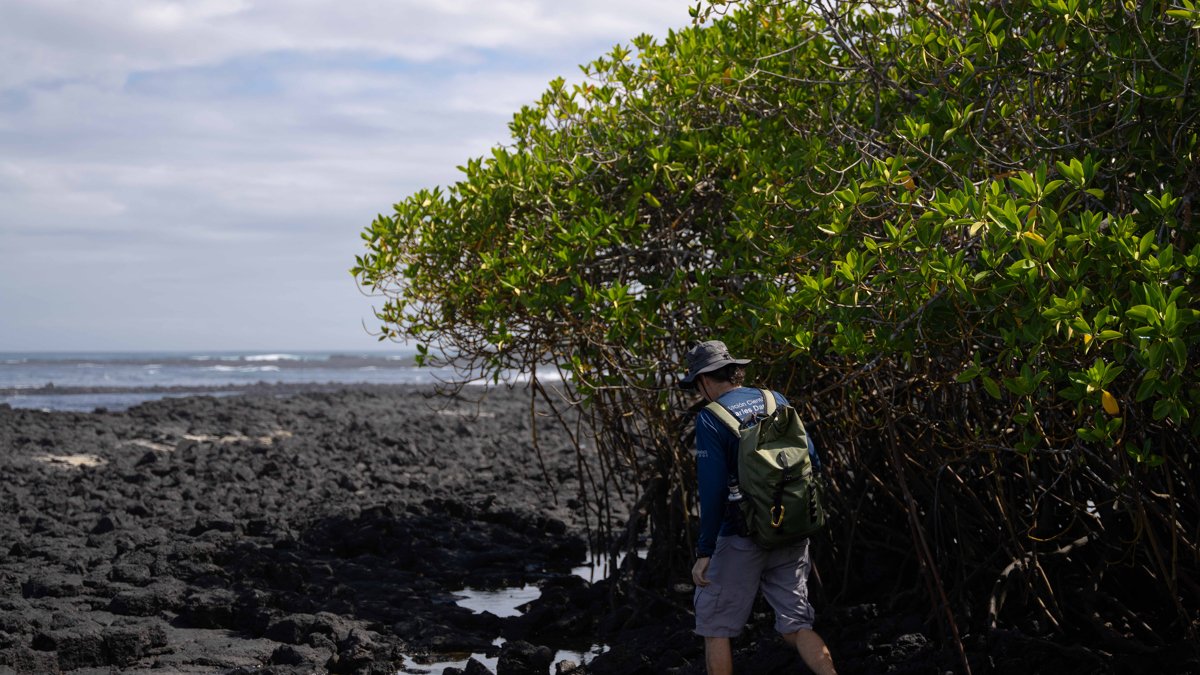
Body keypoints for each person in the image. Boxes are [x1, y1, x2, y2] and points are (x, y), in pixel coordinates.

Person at [680, 340, 837, 675]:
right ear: (733, 370)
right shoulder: (774, 399)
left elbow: (712, 491)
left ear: (705, 380)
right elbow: (811, 457)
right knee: (795, 624)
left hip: (742, 535)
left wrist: (705, 550)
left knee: (715, 627)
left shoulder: (710, 418)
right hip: (792, 527)